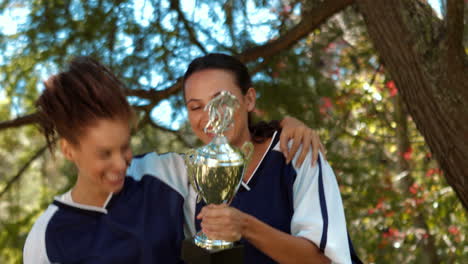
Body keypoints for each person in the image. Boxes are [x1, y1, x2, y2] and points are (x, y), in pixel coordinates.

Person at [23, 56, 325, 263]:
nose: (121, 163)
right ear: (69, 151)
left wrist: (286, 125)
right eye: (104, 154)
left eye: (125, 147)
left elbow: (227, 145)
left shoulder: (164, 173)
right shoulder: (47, 236)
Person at [182, 53, 361, 264]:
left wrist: (245, 226)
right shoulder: (188, 180)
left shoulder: (295, 153)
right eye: (196, 107)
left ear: (249, 100)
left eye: (221, 101)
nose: (210, 116)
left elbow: (325, 260)